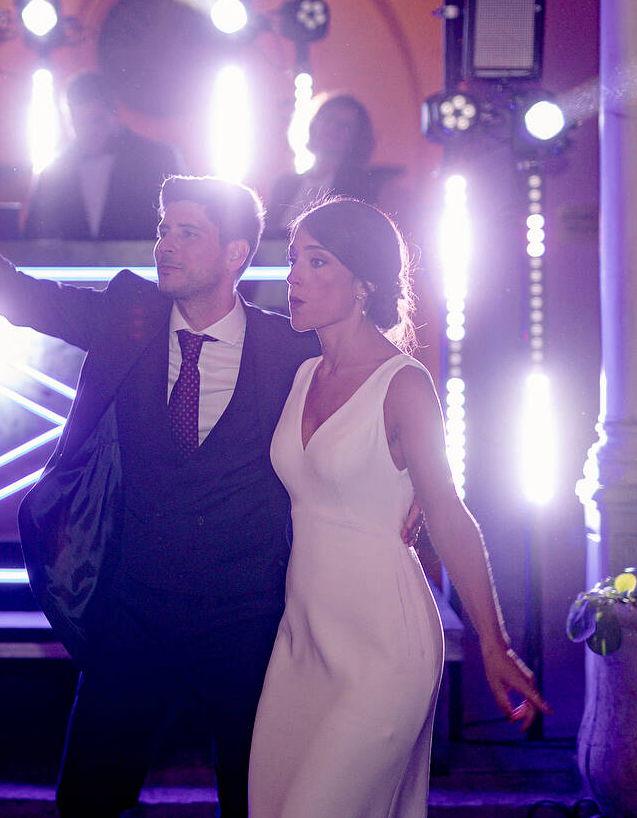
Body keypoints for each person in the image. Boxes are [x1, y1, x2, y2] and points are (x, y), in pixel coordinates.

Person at [0, 176, 386, 817]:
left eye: (187, 232)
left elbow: (374, 391)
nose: (165, 245)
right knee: (86, 801)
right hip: (137, 611)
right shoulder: (129, 316)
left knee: (257, 802)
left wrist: (410, 491)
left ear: (235, 254)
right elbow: (22, 298)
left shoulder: (289, 347)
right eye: (162, 230)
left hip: (248, 621)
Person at [248, 197, 550, 816]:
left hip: (386, 649)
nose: (293, 276)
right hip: (302, 644)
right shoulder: (302, 372)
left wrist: (492, 643)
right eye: (292, 259)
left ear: (363, 284)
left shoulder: (404, 385)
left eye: (315, 261)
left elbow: (448, 515)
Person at [24, 71, 182, 240]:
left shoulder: (157, 160)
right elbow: (34, 236)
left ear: (114, 112)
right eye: (79, 122)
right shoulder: (52, 174)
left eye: (96, 120)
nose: (88, 131)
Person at [264, 94, 401, 232]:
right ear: (313, 125)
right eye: (327, 120)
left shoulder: (362, 187)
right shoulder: (284, 184)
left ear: (357, 137)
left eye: (343, 125)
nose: (332, 128)